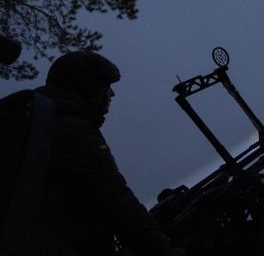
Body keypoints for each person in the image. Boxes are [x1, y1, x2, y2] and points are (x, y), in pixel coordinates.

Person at [0, 52, 177, 256]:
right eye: (106, 86)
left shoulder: (41, 122)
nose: (112, 94)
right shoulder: (72, 129)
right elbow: (118, 203)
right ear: (88, 87)